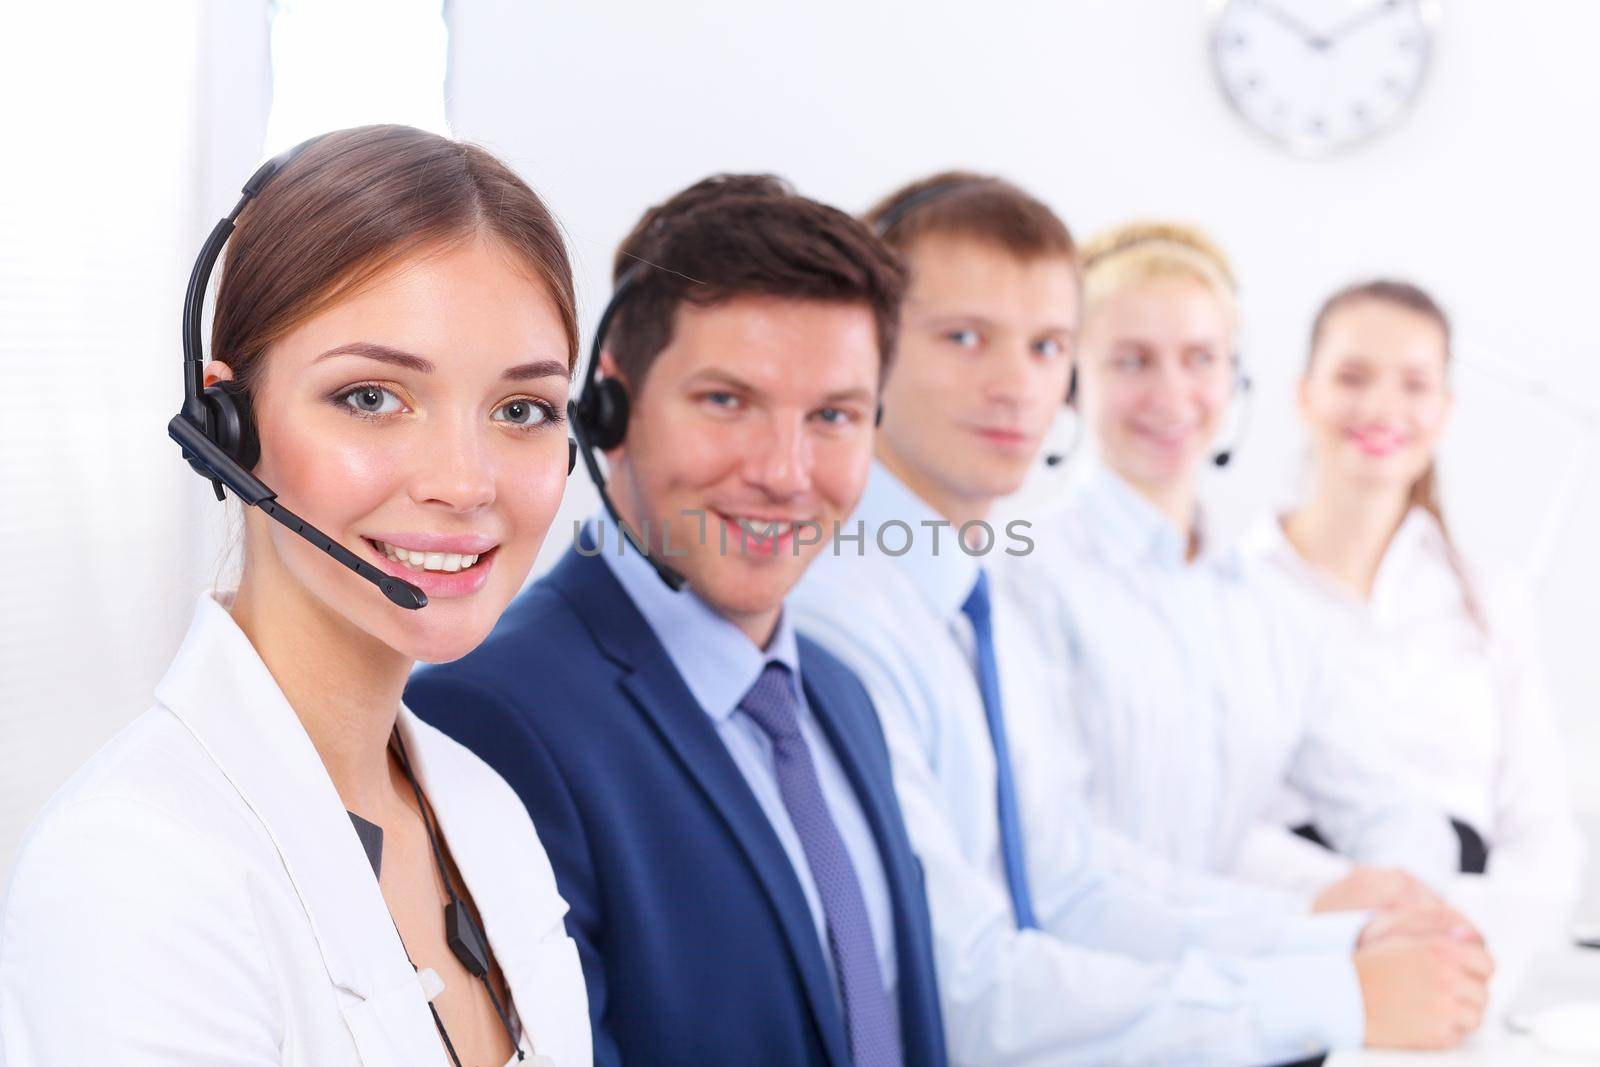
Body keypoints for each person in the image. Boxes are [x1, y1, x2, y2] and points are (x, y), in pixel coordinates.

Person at [791, 174, 1492, 1064]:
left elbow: (1070, 877)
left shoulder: (963, 601)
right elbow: (967, 989)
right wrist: (1328, 979)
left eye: (1044, 345)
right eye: (965, 337)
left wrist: (1359, 936)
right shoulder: (907, 601)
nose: (1014, 383)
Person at [0, 126, 592, 1066]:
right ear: (225, 427)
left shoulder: (487, 814)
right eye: (371, 396)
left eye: (521, 410)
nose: (466, 482)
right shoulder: (135, 871)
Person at [406, 175, 946, 1067]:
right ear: (610, 408)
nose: (784, 470)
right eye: (727, 400)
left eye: (834, 416)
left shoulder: (841, 698)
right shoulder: (489, 716)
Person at [1000, 221, 1465, 898]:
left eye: (1200, 359)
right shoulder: (1025, 579)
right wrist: (1311, 918)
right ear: (1071, 379)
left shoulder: (1266, 603)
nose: (1171, 394)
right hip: (1096, 986)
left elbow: (1392, 808)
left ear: (1235, 377)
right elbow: (1061, 862)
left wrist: (1402, 899)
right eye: (1132, 359)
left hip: (1240, 982)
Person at [1240, 279, 1584, 906]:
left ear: (1445, 409)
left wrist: (1463, 925)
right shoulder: (1234, 592)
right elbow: (1219, 827)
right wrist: (1373, 904)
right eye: (1351, 376)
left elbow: (1540, 834)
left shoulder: (1491, 600)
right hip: (1292, 927)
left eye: (1414, 384)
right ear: (1303, 393)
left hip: (1466, 938)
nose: (1382, 406)